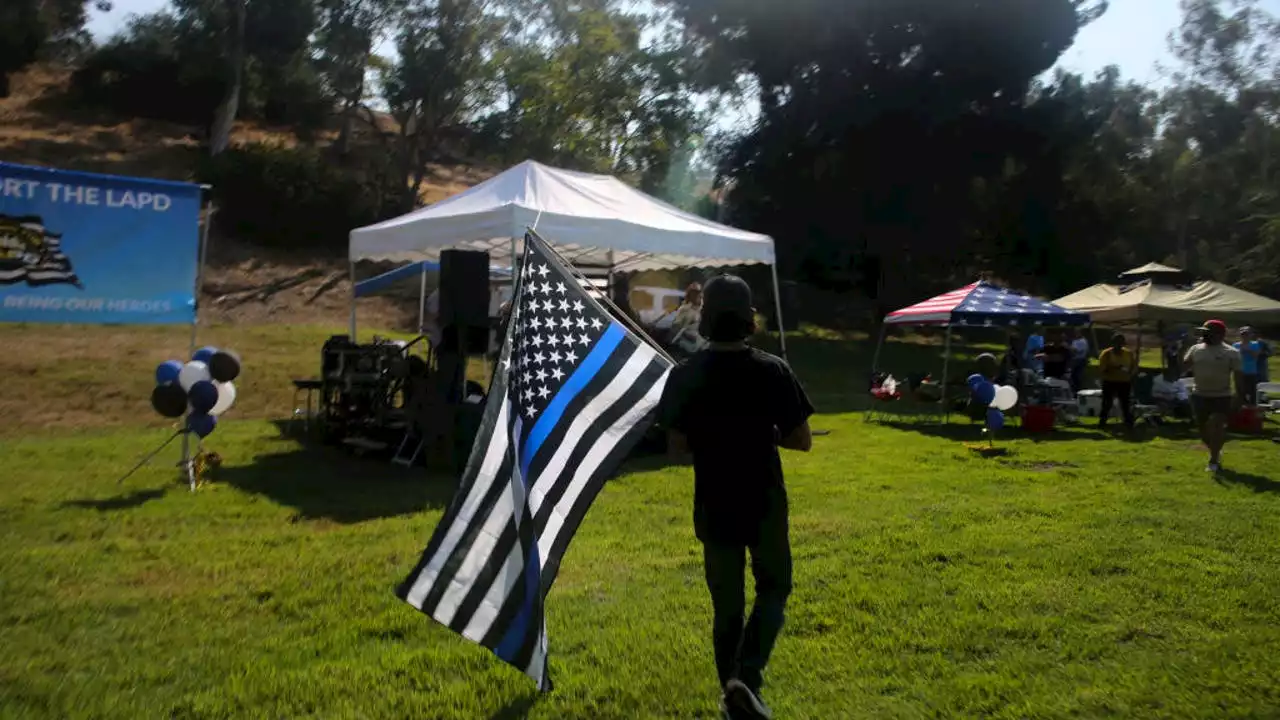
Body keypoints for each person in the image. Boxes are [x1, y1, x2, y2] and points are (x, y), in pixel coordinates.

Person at [658, 274, 814, 720]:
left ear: (704, 318)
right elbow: (802, 439)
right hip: (764, 501)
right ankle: (746, 678)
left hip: (714, 502)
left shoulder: (685, 374)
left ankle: (733, 694)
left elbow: (675, 449)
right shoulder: (772, 370)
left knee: (726, 607)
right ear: (749, 319)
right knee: (774, 588)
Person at [1185, 319, 1241, 472]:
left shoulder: (1231, 352)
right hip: (1199, 394)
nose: (1204, 335)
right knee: (1203, 431)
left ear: (1220, 335)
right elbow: (1184, 365)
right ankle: (1215, 450)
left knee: (1216, 426)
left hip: (1222, 395)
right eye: (1203, 332)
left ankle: (1213, 460)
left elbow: (1238, 375)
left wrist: (1239, 395)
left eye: (1207, 332)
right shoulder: (1195, 348)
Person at [1096, 333, 1136, 430]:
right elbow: (1102, 369)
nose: (1119, 345)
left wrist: (1131, 374)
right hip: (1110, 381)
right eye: (1117, 343)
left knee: (1125, 403)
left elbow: (1133, 367)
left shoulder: (1129, 353)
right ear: (1113, 343)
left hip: (1124, 382)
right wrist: (1114, 368)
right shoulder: (1106, 354)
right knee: (1107, 403)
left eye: (1121, 343)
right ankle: (1102, 421)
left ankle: (1128, 422)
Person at [1232, 327, 1263, 405]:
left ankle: (1252, 408)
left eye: (1247, 334)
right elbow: (1233, 358)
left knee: (1252, 392)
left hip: (1251, 372)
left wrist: (1247, 350)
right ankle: (1241, 408)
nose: (1245, 336)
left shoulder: (1255, 344)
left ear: (1251, 335)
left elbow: (1256, 356)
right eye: (1243, 334)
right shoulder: (1235, 345)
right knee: (1240, 392)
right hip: (1239, 372)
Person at [1067, 328, 1089, 392]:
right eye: (1075, 332)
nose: (1076, 334)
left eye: (1077, 332)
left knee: (1078, 377)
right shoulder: (1074, 341)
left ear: (1081, 333)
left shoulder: (1083, 341)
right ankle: (1074, 391)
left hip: (1080, 360)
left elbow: (1076, 351)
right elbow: (1072, 351)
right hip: (1073, 360)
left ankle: (1079, 390)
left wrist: (1068, 347)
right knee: (1073, 377)